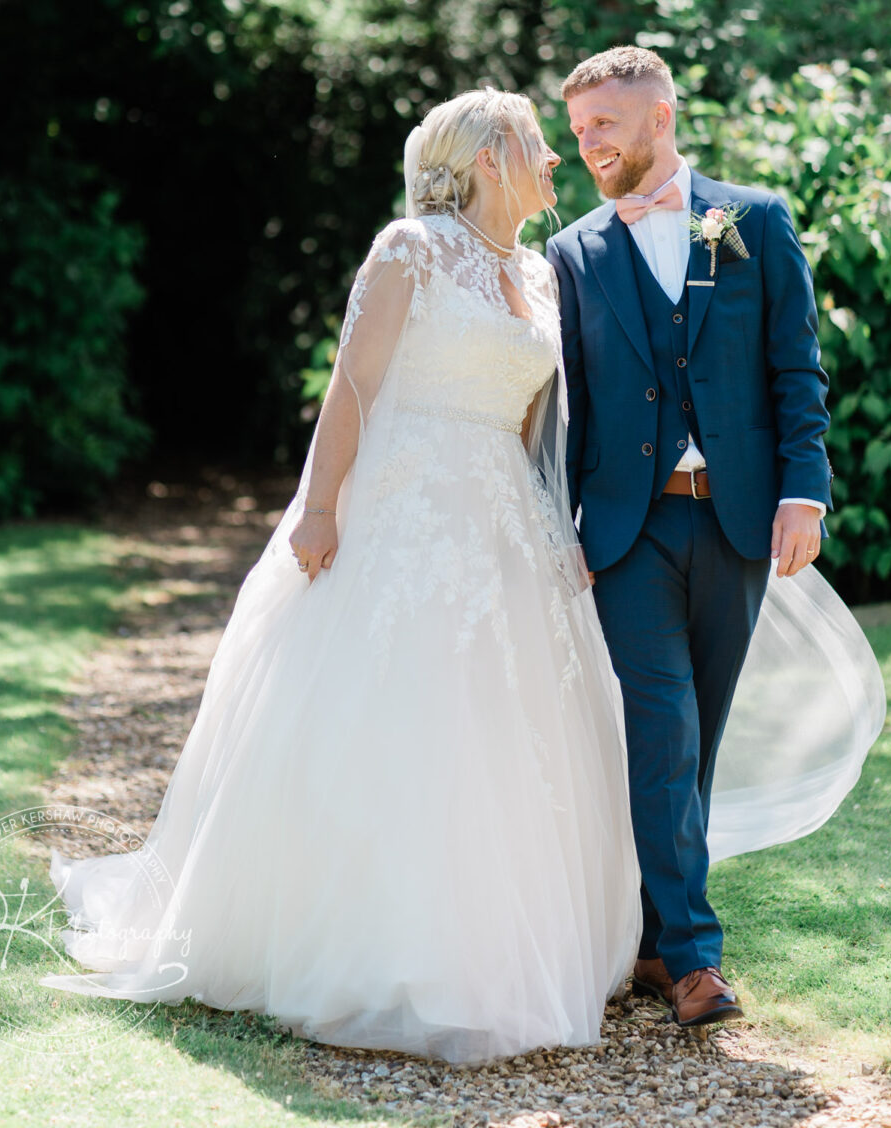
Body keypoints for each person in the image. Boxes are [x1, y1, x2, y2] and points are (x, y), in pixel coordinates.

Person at [41, 88, 644, 1064]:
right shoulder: (407, 250)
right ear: (491, 156)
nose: (555, 160)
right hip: (403, 508)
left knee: (509, 723)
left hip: (505, 518)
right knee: (396, 709)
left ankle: (501, 947)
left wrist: (553, 529)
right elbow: (353, 386)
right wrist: (321, 506)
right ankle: (374, 953)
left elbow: (536, 418)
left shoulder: (535, 270)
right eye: (538, 144)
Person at [546, 45, 874, 1027]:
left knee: (697, 747)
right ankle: (694, 960)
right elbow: (569, 405)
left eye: (602, 125)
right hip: (626, 530)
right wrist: (559, 521)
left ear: (659, 116)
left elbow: (795, 370)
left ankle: (650, 938)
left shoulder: (753, 220)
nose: (587, 145)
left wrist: (803, 494)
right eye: (576, 132)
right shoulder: (574, 251)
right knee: (663, 728)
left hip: (735, 521)